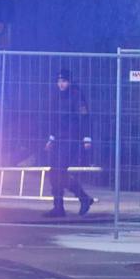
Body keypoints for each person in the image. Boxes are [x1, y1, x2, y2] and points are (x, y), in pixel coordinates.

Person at [44, 68, 94, 217]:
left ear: (70, 82)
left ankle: (82, 199)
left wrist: (86, 137)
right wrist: (51, 138)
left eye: (64, 81)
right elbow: (54, 119)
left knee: (59, 171)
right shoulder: (57, 97)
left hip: (72, 139)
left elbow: (84, 117)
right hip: (59, 139)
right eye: (59, 81)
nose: (61, 84)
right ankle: (60, 206)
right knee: (54, 172)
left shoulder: (77, 96)